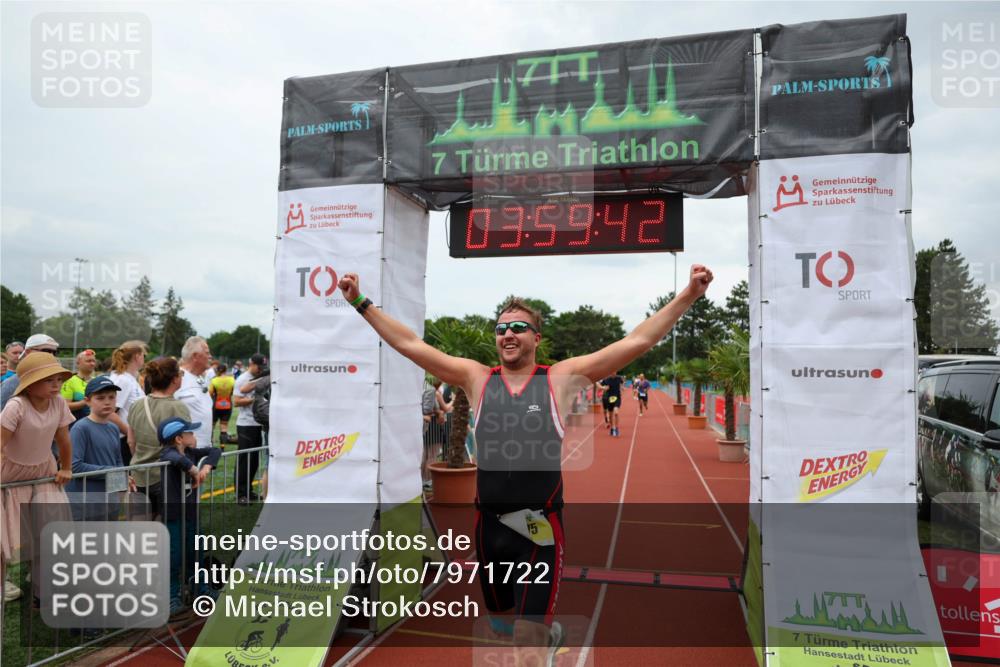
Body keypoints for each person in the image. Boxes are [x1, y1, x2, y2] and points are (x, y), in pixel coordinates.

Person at [337, 264, 713, 664]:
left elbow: (637, 340)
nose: (508, 334)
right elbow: (411, 344)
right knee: (502, 621)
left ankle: (539, 641)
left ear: (536, 337)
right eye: (501, 329)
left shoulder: (559, 379)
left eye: (518, 327)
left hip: (538, 530)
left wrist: (689, 294)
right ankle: (545, 636)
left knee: (526, 639)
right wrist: (361, 303)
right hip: (488, 528)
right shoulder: (477, 379)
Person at [0, 352, 74, 602]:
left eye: (59, 379)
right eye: (48, 380)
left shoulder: (59, 403)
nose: (56, 385)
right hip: (9, 476)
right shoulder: (16, 406)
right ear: (30, 384)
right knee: (4, 539)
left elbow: (63, 439)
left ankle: (44, 590)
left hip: (44, 472)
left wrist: (66, 467)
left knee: (48, 531)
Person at [157, 416, 220, 615]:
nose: (194, 436)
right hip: (174, 514)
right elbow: (175, 458)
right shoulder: (168, 454)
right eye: (190, 433)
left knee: (196, 551)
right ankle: (171, 596)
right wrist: (193, 470)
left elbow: (215, 451)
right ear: (178, 439)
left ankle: (200, 589)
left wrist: (207, 466)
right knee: (174, 555)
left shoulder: (192, 452)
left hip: (191, 512)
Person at [128, 358, 191, 519]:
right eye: (181, 373)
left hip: (139, 474)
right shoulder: (178, 407)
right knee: (167, 523)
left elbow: (131, 441)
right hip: (166, 476)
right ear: (175, 379)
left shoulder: (137, 404)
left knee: (141, 522)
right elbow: (189, 442)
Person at [66, 376, 131, 521]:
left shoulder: (114, 428)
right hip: (85, 503)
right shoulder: (80, 428)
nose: (107, 402)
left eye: (111, 397)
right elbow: (75, 466)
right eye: (100, 398)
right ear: (87, 401)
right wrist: (112, 472)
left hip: (109, 502)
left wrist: (122, 480)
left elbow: (117, 461)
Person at [231, 354, 266, 504]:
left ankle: (248, 491)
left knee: (254, 461)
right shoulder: (242, 379)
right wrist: (254, 400)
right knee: (244, 460)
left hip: (257, 424)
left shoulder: (260, 377)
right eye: (259, 367)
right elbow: (236, 402)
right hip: (246, 424)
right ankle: (241, 494)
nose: (260, 369)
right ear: (252, 364)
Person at [108, 341, 147, 465]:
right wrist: (130, 434)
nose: (144, 359)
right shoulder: (122, 380)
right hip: (123, 440)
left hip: (129, 438)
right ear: (137, 356)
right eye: (143, 355)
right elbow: (110, 413)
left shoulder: (129, 379)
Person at [0, 334, 59, 410]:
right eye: (46, 351)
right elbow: (3, 414)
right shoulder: (12, 384)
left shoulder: (56, 379)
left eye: (54, 352)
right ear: (28, 352)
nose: (51, 356)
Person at [175, 337, 214, 448]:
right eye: (207, 353)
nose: (210, 356)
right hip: (186, 449)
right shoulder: (176, 378)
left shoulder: (200, 378)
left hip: (205, 447)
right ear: (195, 356)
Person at [61, 350, 98, 427]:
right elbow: (64, 406)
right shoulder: (69, 381)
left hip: (94, 425)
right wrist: (84, 403)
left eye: (94, 361)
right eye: (88, 361)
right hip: (76, 426)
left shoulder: (96, 381)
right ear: (78, 363)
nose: (92, 363)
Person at [208, 364, 235, 446]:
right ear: (226, 370)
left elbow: (210, 393)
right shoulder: (232, 379)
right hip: (228, 405)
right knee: (224, 427)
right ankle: (222, 447)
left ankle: (211, 445)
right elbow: (234, 391)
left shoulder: (214, 380)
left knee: (212, 426)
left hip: (215, 405)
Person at [598, 372, 625, 437]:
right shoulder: (606, 379)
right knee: (610, 416)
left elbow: (622, 383)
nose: (614, 373)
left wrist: (622, 388)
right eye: (612, 371)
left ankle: (617, 429)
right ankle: (612, 429)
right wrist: (603, 388)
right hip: (609, 399)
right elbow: (599, 385)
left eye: (615, 371)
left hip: (617, 398)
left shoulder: (619, 378)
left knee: (616, 412)